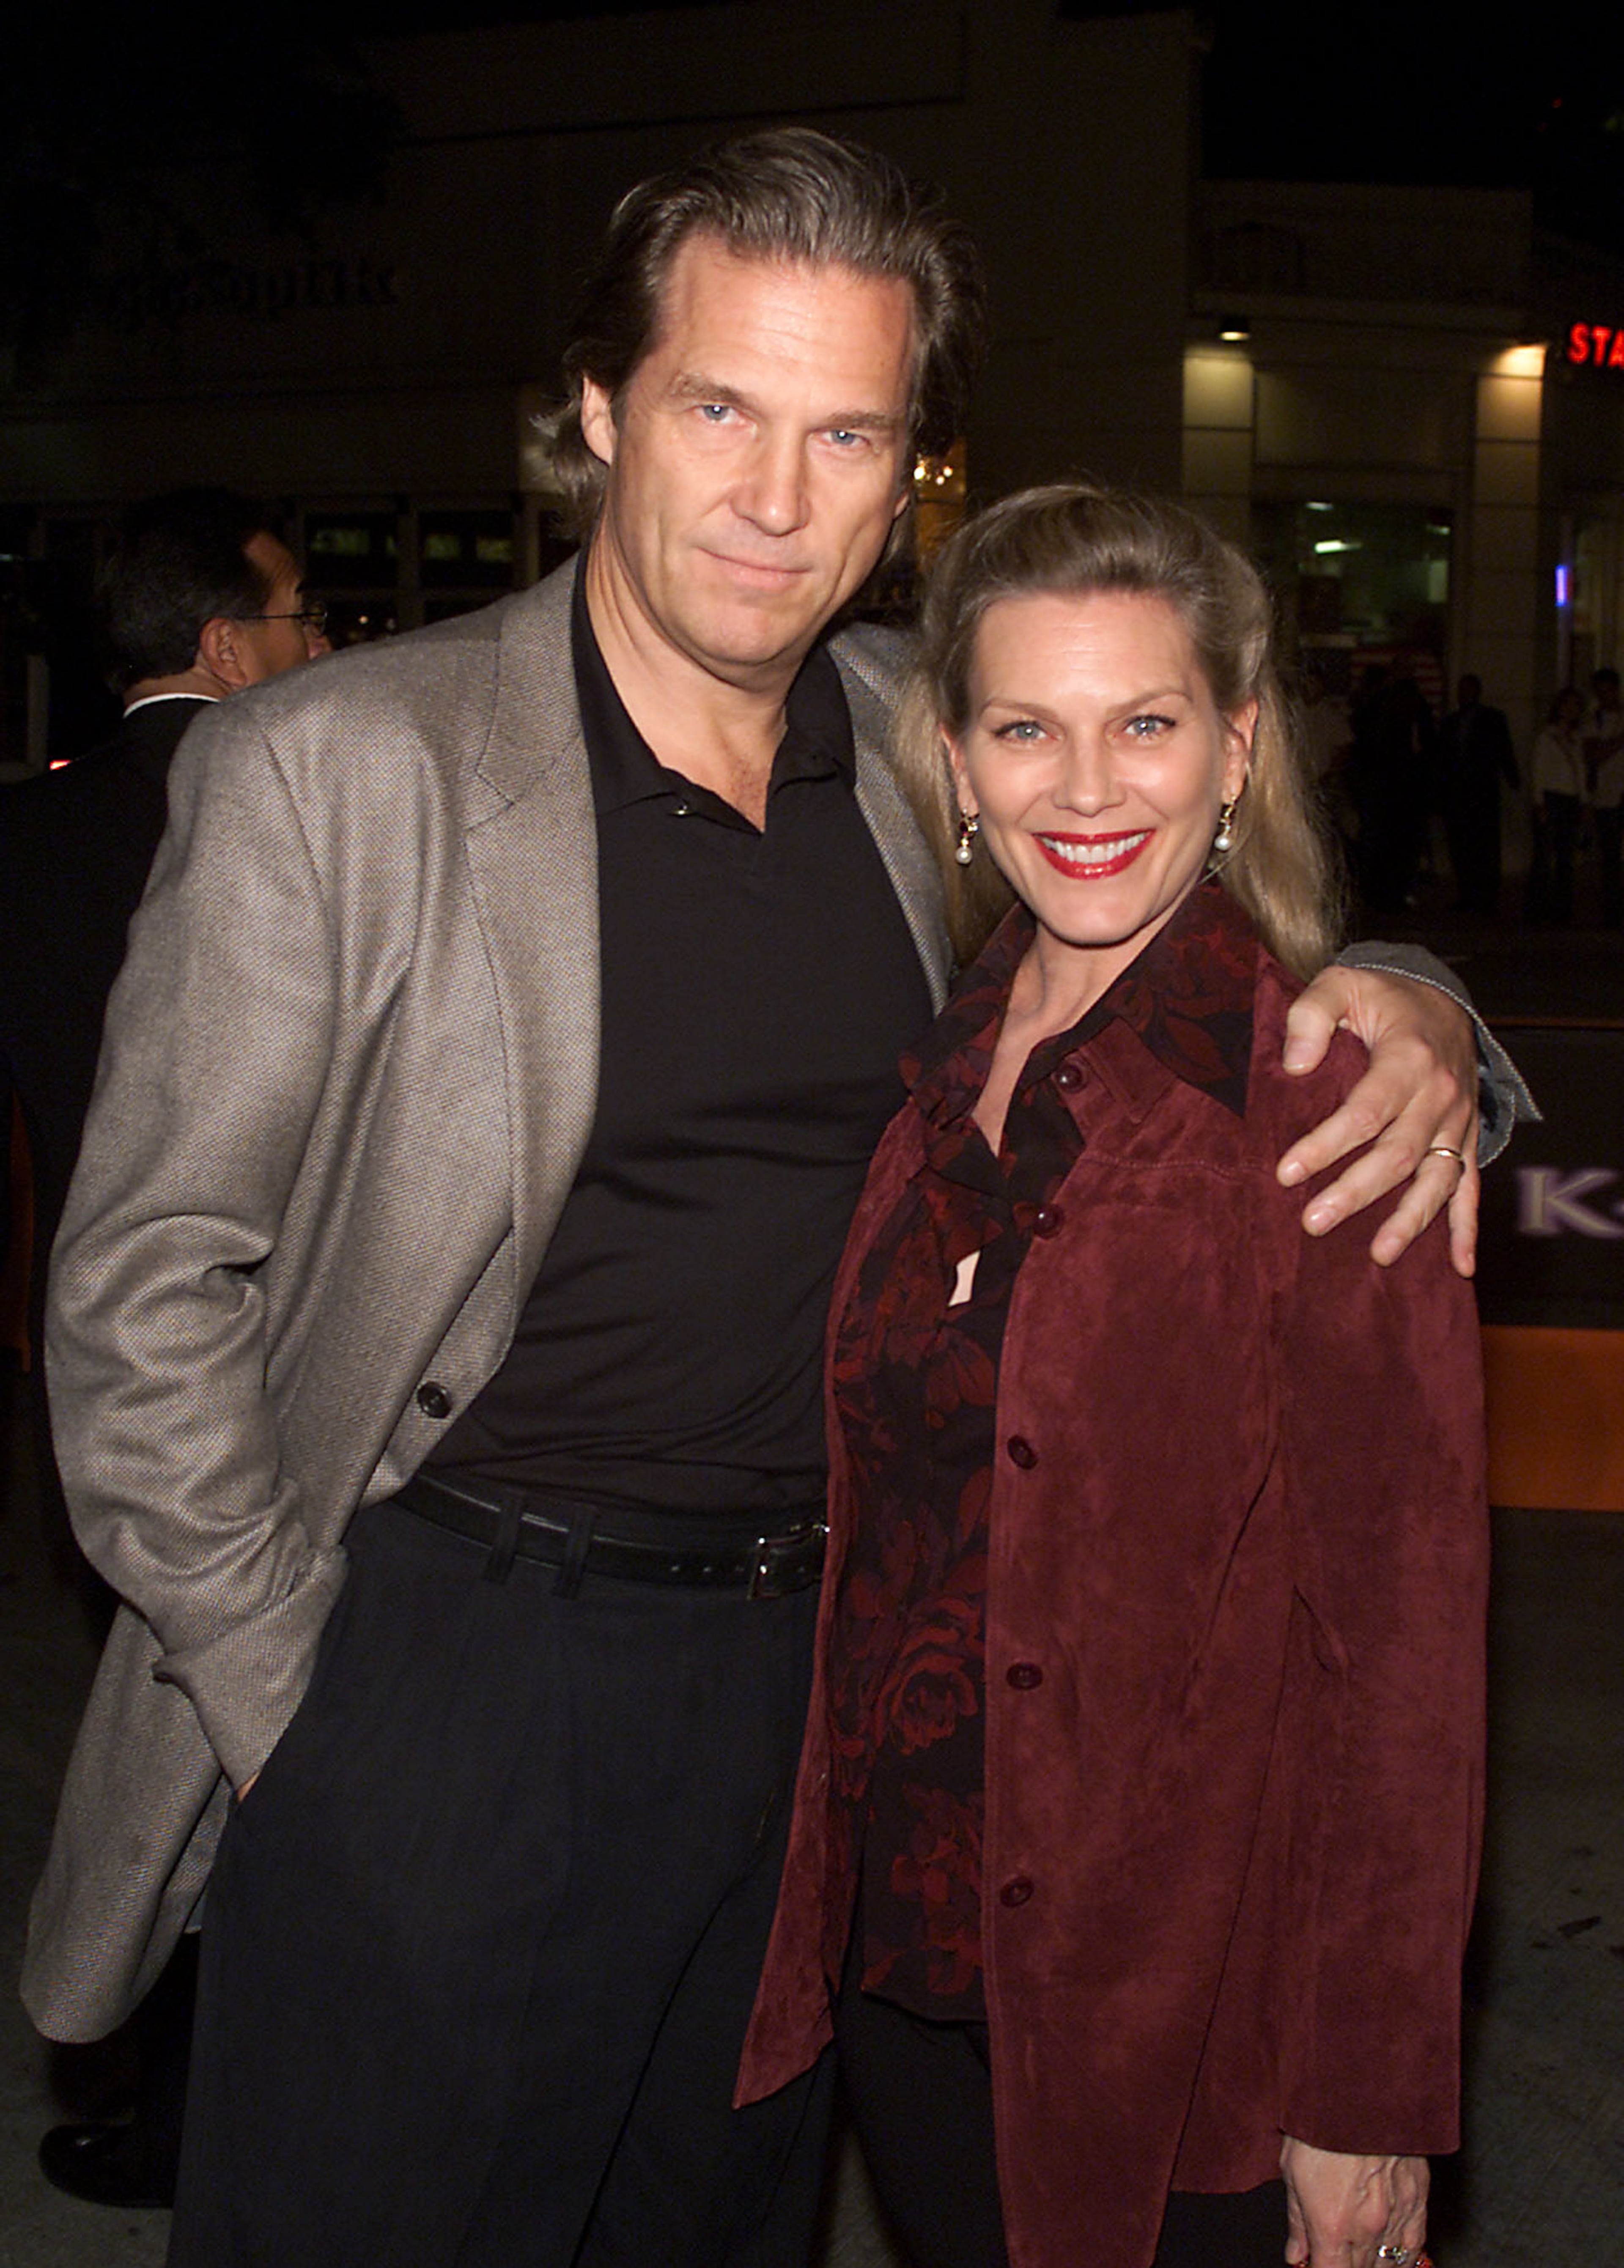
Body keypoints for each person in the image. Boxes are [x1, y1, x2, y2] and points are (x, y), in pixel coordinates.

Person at [26, 134, 1512, 2268]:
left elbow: (1209, 937)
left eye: (849, 434)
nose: (773, 493)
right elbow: (141, 1286)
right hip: (456, 1660)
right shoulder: (343, 767)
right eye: (721, 406)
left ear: (909, 469)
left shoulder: (933, 734)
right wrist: (300, 1710)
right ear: (601, 413)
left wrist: (1428, 1003)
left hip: (826, 1700)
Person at [737, 485, 1489, 2268]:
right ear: (958, 761)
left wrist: (1366, 2090)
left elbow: (1404, 1655)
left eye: (1144, 722)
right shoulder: (931, 1074)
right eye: (1027, 727)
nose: (1086, 787)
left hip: (1180, 2016)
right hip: (907, 1968)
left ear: (1234, 750)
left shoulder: (1315, 1103)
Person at [0, 487, 326, 2212]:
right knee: (261, 1749)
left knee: (153, 1734)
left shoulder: (36, 831)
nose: (322, 647)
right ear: (225, 644)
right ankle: (228, 2115)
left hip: (88, 1368)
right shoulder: (301, 807)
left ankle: (154, 2088)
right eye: (299, 618)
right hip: (286, 1371)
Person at [1436, 672, 1518, 916]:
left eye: (1469, 690)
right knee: (1461, 847)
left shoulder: (1492, 719)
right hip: (1458, 795)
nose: (1464, 695)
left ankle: (1487, 897)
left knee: (1485, 847)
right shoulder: (1451, 723)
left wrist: (1513, 778)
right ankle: (1467, 895)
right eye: (1462, 690)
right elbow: (1443, 759)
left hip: (1482, 793)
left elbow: (1505, 750)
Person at [1525, 685, 1585, 924]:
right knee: (1543, 857)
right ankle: (1538, 909)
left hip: (1570, 800)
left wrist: (1584, 800)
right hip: (1552, 799)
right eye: (1567, 705)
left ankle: (1562, 909)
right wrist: (1539, 802)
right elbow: (1538, 771)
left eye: (1576, 706)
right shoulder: (1547, 737)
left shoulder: (1576, 739)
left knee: (1565, 858)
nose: (1572, 710)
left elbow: (1579, 771)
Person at [1583, 665, 1624, 924]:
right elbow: (1593, 755)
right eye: (1601, 692)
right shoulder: (1592, 720)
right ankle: (1612, 911)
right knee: (1610, 856)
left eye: (1609, 692)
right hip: (1607, 797)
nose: (1605, 697)